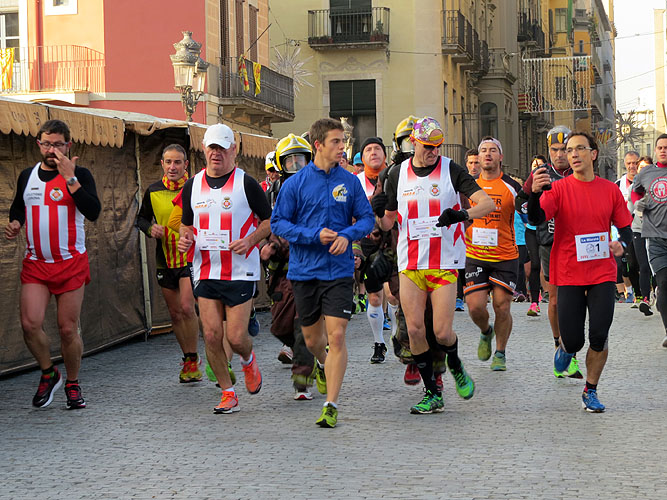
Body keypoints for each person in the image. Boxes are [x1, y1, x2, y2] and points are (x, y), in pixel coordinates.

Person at [374, 117, 494, 414]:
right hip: (410, 262)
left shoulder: (451, 169)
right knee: (415, 330)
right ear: (414, 142)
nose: (434, 152)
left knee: (441, 332)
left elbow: (487, 204)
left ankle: (455, 363)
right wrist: (378, 212)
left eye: (438, 146)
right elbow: (388, 222)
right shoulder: (397, 173)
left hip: (444, 261)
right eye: (428, 146)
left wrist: (461, 215)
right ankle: (432, 393)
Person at [271, 118, 374, 428]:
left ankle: (331, 404)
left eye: (343, 142)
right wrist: (313, 236)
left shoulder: (350, 182)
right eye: (336, 142)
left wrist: (348, 235)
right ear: (318, 145)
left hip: (339, 272)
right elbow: (278, 223)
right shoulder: (295, 184)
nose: (342, 147)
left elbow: (367, 218)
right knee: (313, 340)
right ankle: (321, 363)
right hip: (304, 272)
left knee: (337, 335)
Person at [528, 132, 632, 412]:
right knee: (574, 339)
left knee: (599, 335)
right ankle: (565, 348)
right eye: (569, 150)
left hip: (602, 272)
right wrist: (535, 194)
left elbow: (625, 230)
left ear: (593, 154)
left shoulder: (610, 190)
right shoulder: (558, 189)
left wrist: (621, 245)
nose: (572, 154)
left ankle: (591, 390)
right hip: (569, 272)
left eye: (579, 148)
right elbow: (537, 218)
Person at [5, 119, 101, 409]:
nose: (51, 150)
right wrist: (15, 222)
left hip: (70, 262)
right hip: (36, 264)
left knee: (67, 329)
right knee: (29, 324)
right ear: (39, 144)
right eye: (46, 144)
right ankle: (49, 373)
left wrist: (70, 178)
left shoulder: (80, 174)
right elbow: (18, 207)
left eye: (58, 144)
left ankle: (72, 383)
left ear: (68, 145)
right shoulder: (27, 175)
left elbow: (93, 211)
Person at [177, 123, 272, 414]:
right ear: (204, 150)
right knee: (211, 335)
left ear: (233, 150)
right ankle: (228, 393)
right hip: (205, 269)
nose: (216, 153)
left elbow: (270, 221)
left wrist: (250, 240)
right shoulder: (192, 185)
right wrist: (185, 237)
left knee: (236, 337)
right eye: (212, 148)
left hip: (240, 270)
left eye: (222, 148)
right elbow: (186, 224)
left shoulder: (246, 184)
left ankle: (247, 360)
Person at [515, 126, 583, 378]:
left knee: (577, 300)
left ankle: (571, 346)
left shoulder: (581, 171)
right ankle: (560, 347)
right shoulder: (541, 173)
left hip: (577, 244)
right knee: (554, 299)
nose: (560, 154)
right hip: (548, 242)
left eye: (564, 149)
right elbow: (519, 201)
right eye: (554, 150)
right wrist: (533, 214)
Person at [136, 144, 201, 383]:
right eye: (168, 162)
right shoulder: (153, 190)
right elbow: (141, 219)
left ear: (186, 165)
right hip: (164, 259)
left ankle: (195, 357)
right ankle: (188, 358)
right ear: (162, 164)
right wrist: (150, 229)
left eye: (177, 162)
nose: (173, 167)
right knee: (175, 314)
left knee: (187, 307)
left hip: (189, 258)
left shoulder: (195, 188)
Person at [261, 133, 317, 399]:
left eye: (300, 160)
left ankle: (302, 379)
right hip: (281, 271)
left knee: (302, 324)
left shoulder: (318, 188)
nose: (296, 165)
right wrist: (266, 245)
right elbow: (264, 223)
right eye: (290, 161)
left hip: (310, 268)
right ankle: (317, 351)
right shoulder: (272, 192)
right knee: (280, 326)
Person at [463, 137, 522, 372]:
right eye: (484, 150)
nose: (488, 154)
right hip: (475, 254)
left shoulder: (512, 186)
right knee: (475, 307)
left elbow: (529, 213)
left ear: (501, 157)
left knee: (502, 306)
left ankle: (500, 352)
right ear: (478, 157)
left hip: (505, 255)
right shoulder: (469, 186)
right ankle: (486, 331)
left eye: (493, 150)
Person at [355, 136, 400, 363]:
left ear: (384, 154)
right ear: (362, 158)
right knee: (374, 297)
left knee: (392, 295)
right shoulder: (355, 182)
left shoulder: (395, 176)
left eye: (377, 149)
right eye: (368, 149)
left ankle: (396, 335)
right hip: (368, 244)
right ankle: (378, 343)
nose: (373, 152)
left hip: (393, 241)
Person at [631, 134, 667, 347]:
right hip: (655, 237)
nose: (663, 150)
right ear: (655, 150)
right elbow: (635, 192)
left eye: (666, 147)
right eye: (660, 147)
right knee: (664, 282)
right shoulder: (646, 173)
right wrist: (638, 204)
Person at [614, 151, 641, 303]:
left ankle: (641, 292)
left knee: (638, 263)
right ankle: (629, 292)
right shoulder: (618, 185)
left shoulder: (646, 181)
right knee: (624, 264)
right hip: (623, 230)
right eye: (629, 163)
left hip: (643, 228)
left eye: (635, 163)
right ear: (625, 164)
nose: (632, 166)